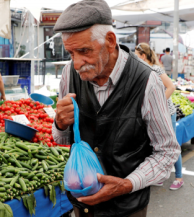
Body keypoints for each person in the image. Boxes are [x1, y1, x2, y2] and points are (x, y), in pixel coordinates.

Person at [52, 0, 180, 216]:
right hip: (83, 206)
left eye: (84, 51)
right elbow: (61, 139)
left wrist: (126, 184)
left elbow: (167, 151)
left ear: (110, 41)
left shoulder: (146, 81)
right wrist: (60, 123)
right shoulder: (69, 74)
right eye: (71, 53)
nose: (76, 63)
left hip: (127, 208)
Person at [135, 43, 183, 190]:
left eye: (137, 56)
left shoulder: (155, 69)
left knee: (170, 143)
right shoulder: (141, 70)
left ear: (143, 56)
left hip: (167, 112)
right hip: (153, 114)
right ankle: (161, 175)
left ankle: (179, 177)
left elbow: (171, 87)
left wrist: (159, 104)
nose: (135, 59)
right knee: (156, 143)